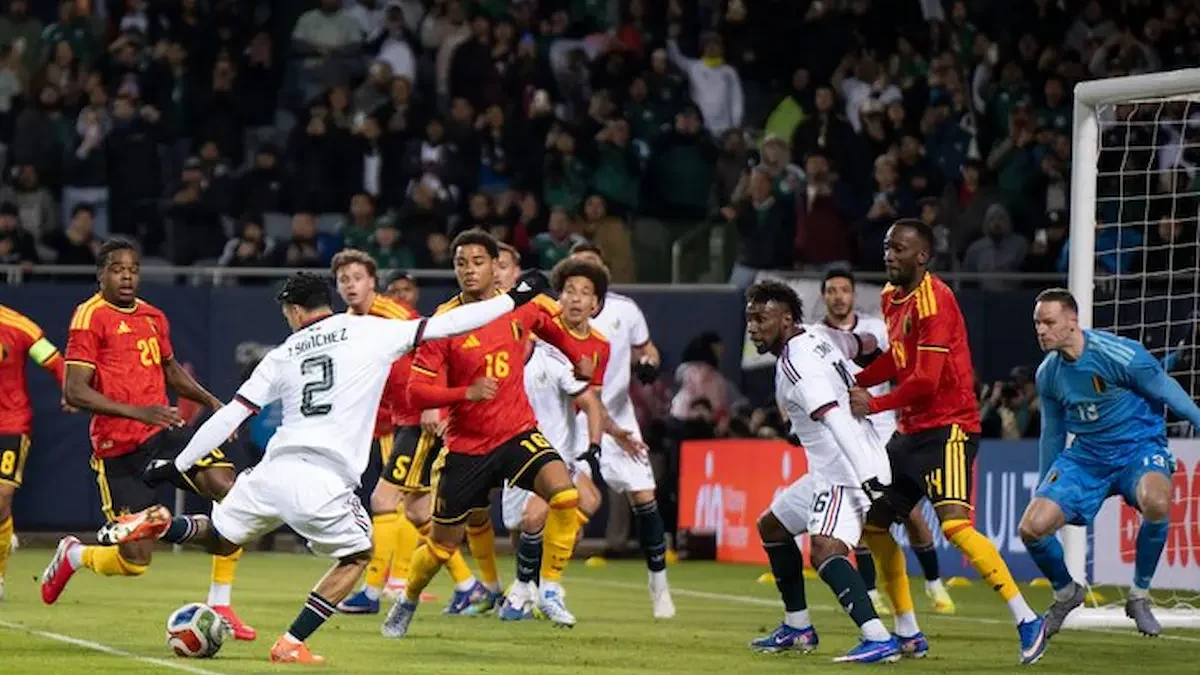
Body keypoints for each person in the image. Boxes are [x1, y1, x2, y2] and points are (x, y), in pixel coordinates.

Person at [94, 271, 550, 663]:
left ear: (293, 311)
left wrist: (178, 465)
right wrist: (515, 298)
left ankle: (160, 524)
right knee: (356, 556)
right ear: (324, 302)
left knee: (220, 536)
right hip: (325, 479)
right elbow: (450, 323)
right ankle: (291, 644)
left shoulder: (281, 354)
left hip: (274, 470)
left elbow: (231, 415)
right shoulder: (372, 330)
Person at [847, 220, 1047, 665]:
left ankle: (1027, 620)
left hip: (949, 429)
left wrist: (872, 406)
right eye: (886, 247)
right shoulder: (889, 296)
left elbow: (925, 380)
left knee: (955, 526)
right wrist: (855, 380)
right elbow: (897, 361)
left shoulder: (937, 300)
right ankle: (908, 632)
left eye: (898, 249)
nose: (889, 255)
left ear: (922, 256)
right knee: (874, 528)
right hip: (911, 433)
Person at [40, 238, 256, 641]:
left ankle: (221, 603)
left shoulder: (154, 317)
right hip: (118, 450)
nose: (127, 275)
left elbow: (170, 371)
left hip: (163, 436)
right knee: (135, 561)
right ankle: (74, 555)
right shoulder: (89, 316)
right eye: (118, 268)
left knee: (231, 492)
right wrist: (139, 411)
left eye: (134, 268)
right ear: (101, 273)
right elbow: (74, 390)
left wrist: (215, 404)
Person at [381, 231, 593, 635]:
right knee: (443, 545)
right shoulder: (445, 321)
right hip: (466, 446)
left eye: (477, 261)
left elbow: (552, 328)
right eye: (461, 262)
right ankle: (407, 600)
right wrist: (465, 392)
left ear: (497, 267)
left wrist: (576, 356)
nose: (468, 270)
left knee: (565, 495)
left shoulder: (518, 306)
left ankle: (547, 590)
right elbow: (416, 389)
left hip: (516, 431)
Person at [744, 280, 925, 663]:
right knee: (772, 527)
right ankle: (798, 628)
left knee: (825, 549)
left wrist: (869, 477)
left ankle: (877, 637)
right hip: (841, 463)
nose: (753, 327)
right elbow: (854, 363)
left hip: (844, 471)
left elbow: (835, 421)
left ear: (786, 319)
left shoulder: (797, 365)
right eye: (749, 319)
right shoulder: (813, 337)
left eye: (761, 319)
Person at [1021, 288, 1200, 638]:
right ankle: (1066, 592)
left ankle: (1139, 596)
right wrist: (1044, 485)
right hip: (1087, 457)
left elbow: (1168, 391)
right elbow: (1053, 434)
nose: (1041, 330)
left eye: (1049, 322)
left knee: (1158, 502)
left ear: (1072, 321)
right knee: (1032, 528)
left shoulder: (1120, 354)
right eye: (1037, 323)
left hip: (1139, 448)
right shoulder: (1048, 374)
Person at [498, 258, 644, 620]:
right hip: (517, 439)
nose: (576, 299)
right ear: (558, 297)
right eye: (569, 291)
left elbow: (590, 400)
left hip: (563, 441)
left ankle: (548, 585)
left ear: (596, 304)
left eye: (585, 293)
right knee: (520, 526)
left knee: (577, 503)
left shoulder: (598, 346)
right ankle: (527, 585)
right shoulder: (537, 328)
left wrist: (602, 439)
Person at [818, 268, 955, 615]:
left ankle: (934, 583)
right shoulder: (814, 336)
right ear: (823, 296)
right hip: (847, 433)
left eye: (844, 289)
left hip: (883, 429)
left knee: (909, 512)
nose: (838, 296)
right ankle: (870, 590)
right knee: (862, 512)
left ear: (852, 295)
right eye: (832, 290)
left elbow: (899, 365)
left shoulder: (877, 328)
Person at [331, 250, 452, 614]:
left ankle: (370, 591)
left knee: (384, 502)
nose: (351, 285)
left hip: (420, 417)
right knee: (418, 511)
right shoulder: (349, 322)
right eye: (344, 279)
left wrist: (434, 402)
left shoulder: (393, 313)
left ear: (372, 281)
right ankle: (469, 584)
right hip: (400, 418)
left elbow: (433, 345)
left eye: (357, 277)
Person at [568, 242, 675, 618]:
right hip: (571, 418)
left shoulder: (625, 310)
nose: (583, 281)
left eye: (591, 269)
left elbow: (647, 349)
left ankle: (659, 584)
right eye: (577, 271)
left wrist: (648, 363)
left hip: (617, 415)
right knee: (572, 501)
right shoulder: (556, 314)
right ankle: (542, 584)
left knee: (644, 497)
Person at [0, 304, 65, 601]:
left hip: (9, 424)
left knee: (1, 498)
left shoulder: (17, 326)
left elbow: (52, 359)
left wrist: (69, 390)